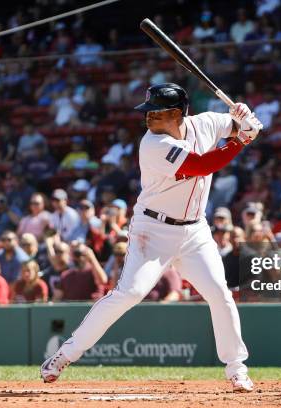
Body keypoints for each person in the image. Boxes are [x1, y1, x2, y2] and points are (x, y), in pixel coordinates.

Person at [41, 83, 261, 392]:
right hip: (153, 231)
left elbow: (234, 124)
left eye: (155, 113)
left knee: (219, 292)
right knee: (129, 293)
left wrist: (244, 117)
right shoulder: (152, 144)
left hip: (195, 230)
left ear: (175, 114)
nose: (147, 118)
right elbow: (201, 165)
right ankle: (66, 354)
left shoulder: (207, 122)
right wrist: (242, 140)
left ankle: (237, 368)